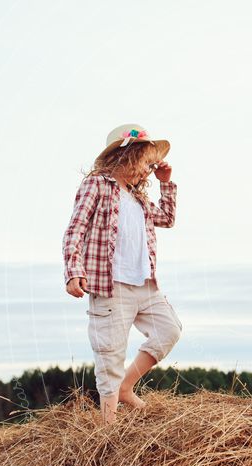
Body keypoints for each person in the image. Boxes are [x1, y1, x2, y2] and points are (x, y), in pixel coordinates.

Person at [62, 123, 183, 425]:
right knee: (110, 356)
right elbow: (75, 229)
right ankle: (109, 428)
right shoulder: (98, 186)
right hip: (110, 285)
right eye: (146, 163)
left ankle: (127, 387)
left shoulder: (139, 199)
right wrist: (74, 269)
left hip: (145, 285)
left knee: (169, 330)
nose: (148, 171)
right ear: (125, 156)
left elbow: (167, 219)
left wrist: (166, 182)